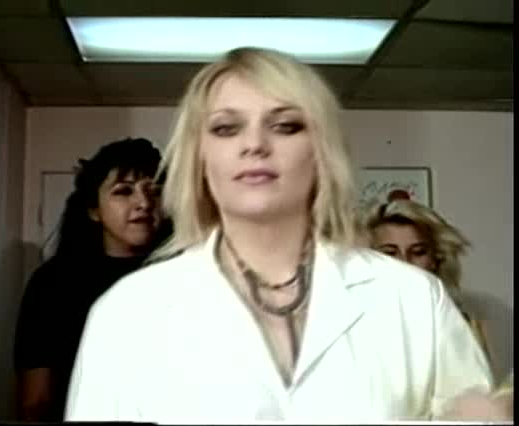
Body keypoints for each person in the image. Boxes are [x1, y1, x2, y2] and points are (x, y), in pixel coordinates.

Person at [65, 47, 493, 423]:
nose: (255, 144)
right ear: (199, 157)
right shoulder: (128, 313)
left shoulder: (412, 299)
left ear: (322, 150)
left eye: (286, 126)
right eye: (226, 128)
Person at [14, 137, 168, 421]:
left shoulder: (186, 279)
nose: (144, 203)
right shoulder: (53, 283)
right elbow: (36, 399)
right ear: (94, 209)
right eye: (124, 191)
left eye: (154, 191)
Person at [362, 197, 491, 358]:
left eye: (418, 252)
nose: (404, 263)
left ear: (436, 259)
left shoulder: (461, 326)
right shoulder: (350, 325)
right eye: (389, 253)